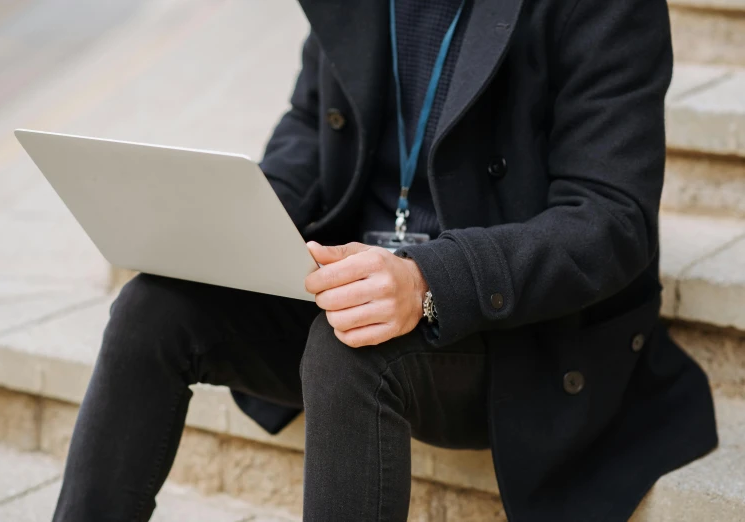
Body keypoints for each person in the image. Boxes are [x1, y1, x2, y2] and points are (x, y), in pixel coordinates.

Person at [52, 0, 718, 520]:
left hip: (511, 330)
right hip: (357, 280)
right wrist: (240, 225)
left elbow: (609, 220)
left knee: (351, 349)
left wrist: (432, 279)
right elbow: (308, 132)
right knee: (153, 308)